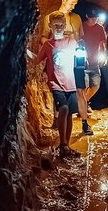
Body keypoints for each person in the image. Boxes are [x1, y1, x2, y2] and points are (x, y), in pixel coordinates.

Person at [32, 11, 81, 157]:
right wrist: (26, 53)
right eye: (55, 25)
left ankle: (67, 145)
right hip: (56, 84)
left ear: (65, 25)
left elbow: (80, 60)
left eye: (61, 25)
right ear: (50, 26)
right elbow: (37, 60)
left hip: (71, 83)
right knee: (64, 109)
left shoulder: (72, 43)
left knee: (70, 114)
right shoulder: (48, 45)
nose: (59, 27)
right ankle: (63, 144)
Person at [40, 0, 84, 129]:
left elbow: (81, 38)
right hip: (57, 59)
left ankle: (83, 122)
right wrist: (53, 45)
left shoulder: (76, 18)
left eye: (75, 4)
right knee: (58, 89)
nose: (73, 7)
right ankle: (57, 119)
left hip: (74, 60)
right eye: (71, 3)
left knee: (78, 89)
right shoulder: (50, 18)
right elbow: (43, 37)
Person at [77, 8, 107, 134]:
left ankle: (85, 104)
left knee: (96, 85)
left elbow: (102, 43)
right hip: (83, 63)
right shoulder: (82, 27)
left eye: (95, 18)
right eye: (92, 18)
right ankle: (82, 109)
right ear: (87, 16)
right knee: (84, 87)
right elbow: (77, 41)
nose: (94, 20)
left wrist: (104, 54)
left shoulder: (100, 28)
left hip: (95, 63)